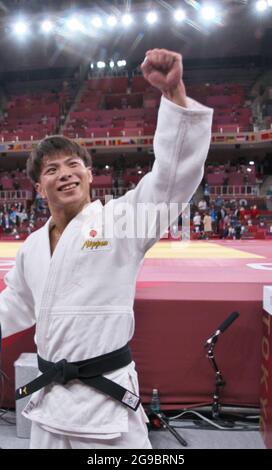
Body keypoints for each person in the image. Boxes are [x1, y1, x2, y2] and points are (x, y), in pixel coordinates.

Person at [0, 48, 213, 449]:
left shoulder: (123, 220)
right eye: (51, 169)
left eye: (73, 164)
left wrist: (175, 97)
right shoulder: (31, 246)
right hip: (48, 406)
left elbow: (170, 180)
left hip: (106, 404)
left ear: (90, 173)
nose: (64, 174)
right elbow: (16, 305)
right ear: (37, 186)